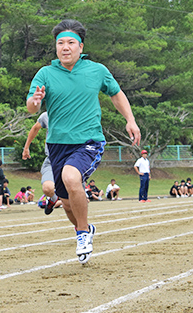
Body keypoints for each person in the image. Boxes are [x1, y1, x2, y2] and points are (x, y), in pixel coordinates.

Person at [27, 19, 140, 264]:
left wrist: (130, 120)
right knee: (66, 202)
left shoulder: (96, 70)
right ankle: (85, 228)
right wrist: (36, 101)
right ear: (55, 47)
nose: (65, 47)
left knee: (71, 178)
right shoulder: (45, 73)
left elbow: (116, 94)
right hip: (57, 144)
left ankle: (81, 235)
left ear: (80, 46)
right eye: (60, 43)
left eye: (70, 42)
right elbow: (31, 106)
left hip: (88, 140)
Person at [22, 112, 59, 215]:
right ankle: (53, 199)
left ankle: (83, 228)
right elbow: (35, 128)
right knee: (47, 188)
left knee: (72, 199)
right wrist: (26, 148)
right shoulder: (46, 116)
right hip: (52, 160)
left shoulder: (75, 114)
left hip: (71, 160)